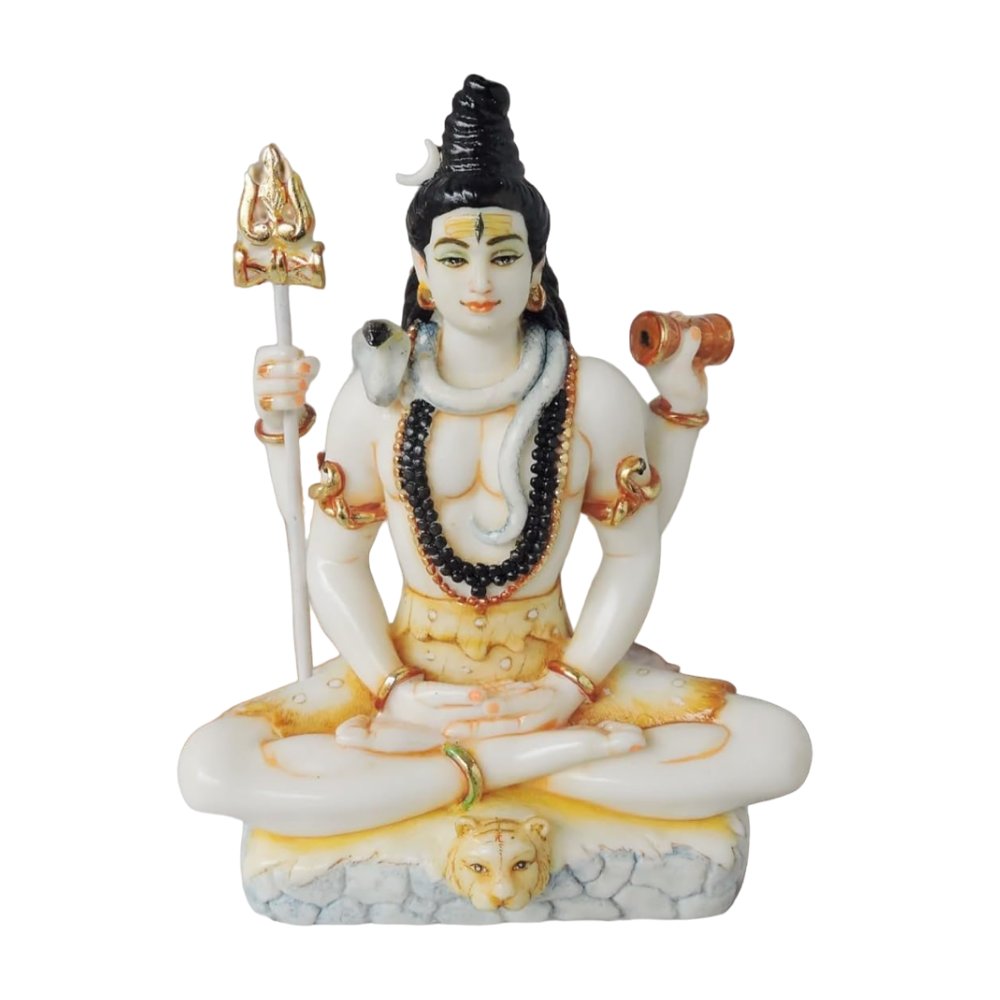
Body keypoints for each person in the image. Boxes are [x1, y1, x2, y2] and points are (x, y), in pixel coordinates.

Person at [179, 76, 810, 839]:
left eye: (504, 257)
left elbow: (632, 553)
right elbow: (333, 561)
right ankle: (537, 766)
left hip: (555, 675)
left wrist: (570, 686)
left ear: (536, 272)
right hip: (408, 680)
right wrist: (393, 687)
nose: (480, 282)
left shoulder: (592, 393)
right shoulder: (377, 397)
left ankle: (457, 772)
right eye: (454, 258)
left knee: (779, 746)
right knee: (209, 765)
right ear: (422, 270)